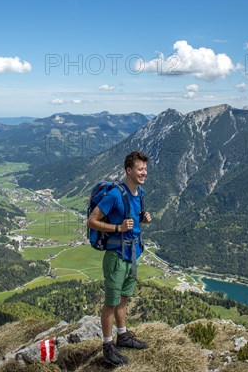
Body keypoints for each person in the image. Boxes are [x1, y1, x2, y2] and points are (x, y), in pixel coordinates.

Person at [87, 150, 152, 366]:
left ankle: (122, 336)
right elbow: (92, 221)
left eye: (145, 168)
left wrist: (144, 218)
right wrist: (118, 227)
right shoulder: (115, 195)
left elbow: (136, 217)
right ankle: (108, 346)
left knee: (123, 297)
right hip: (116, 256)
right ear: (129, 171)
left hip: (133, 254)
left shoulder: (139, 193)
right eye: (140, 169)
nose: (144, 172)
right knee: (110, 303)